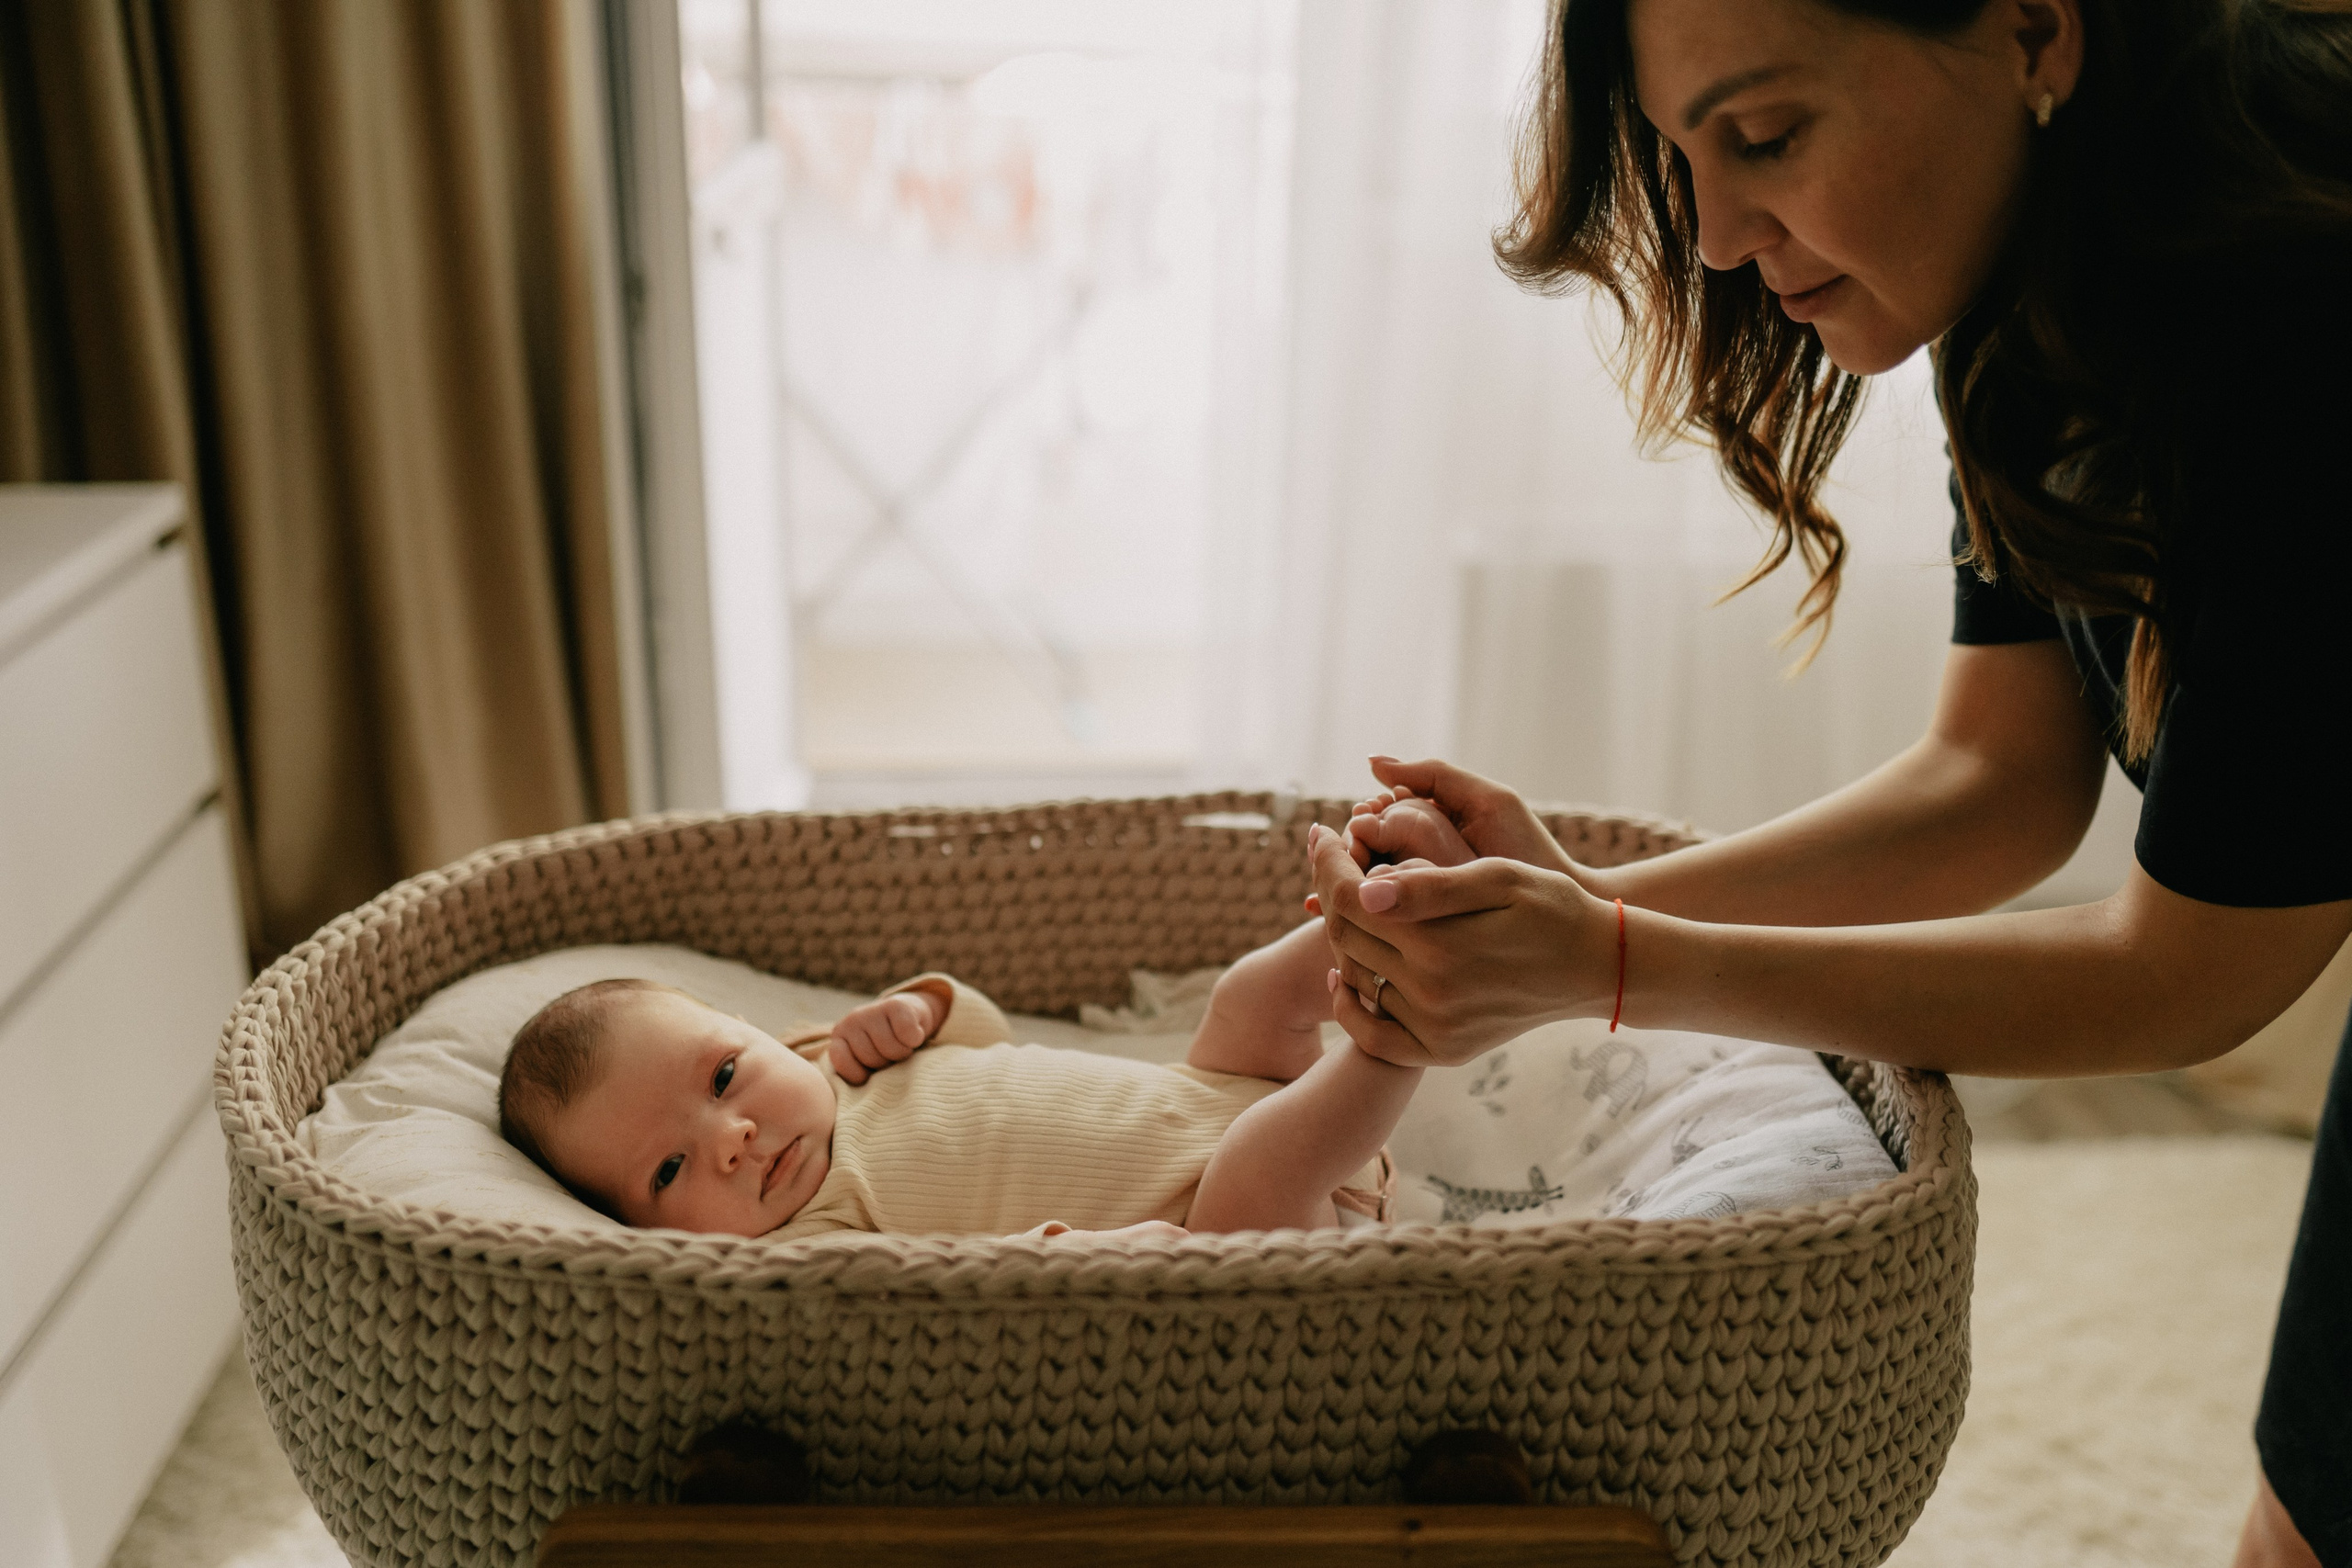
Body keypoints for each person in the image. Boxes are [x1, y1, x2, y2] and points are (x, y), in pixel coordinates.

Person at [1303, 1, 2352, 1562]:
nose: (1718, 237)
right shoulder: (2037, 266)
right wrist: (1580, 912)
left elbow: (2191, 968)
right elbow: (1995, 778)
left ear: (2035, 30)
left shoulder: (2295, 324)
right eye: (1684, 158)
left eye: (1768, 136)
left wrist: (1607, 964)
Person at [492, 901, 1450, 1240]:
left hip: (1206, 1093)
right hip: (1241, 1214)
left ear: (757, 1032)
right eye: (668, 1172)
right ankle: (1411, 1028)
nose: (731, 1139)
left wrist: (921, 1009)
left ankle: (1375, 911)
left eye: (722, 1077)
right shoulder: (802, 1247)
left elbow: (987, 1041)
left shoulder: (838, 1058)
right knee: (1261, 1165)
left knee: (1243, 1003)